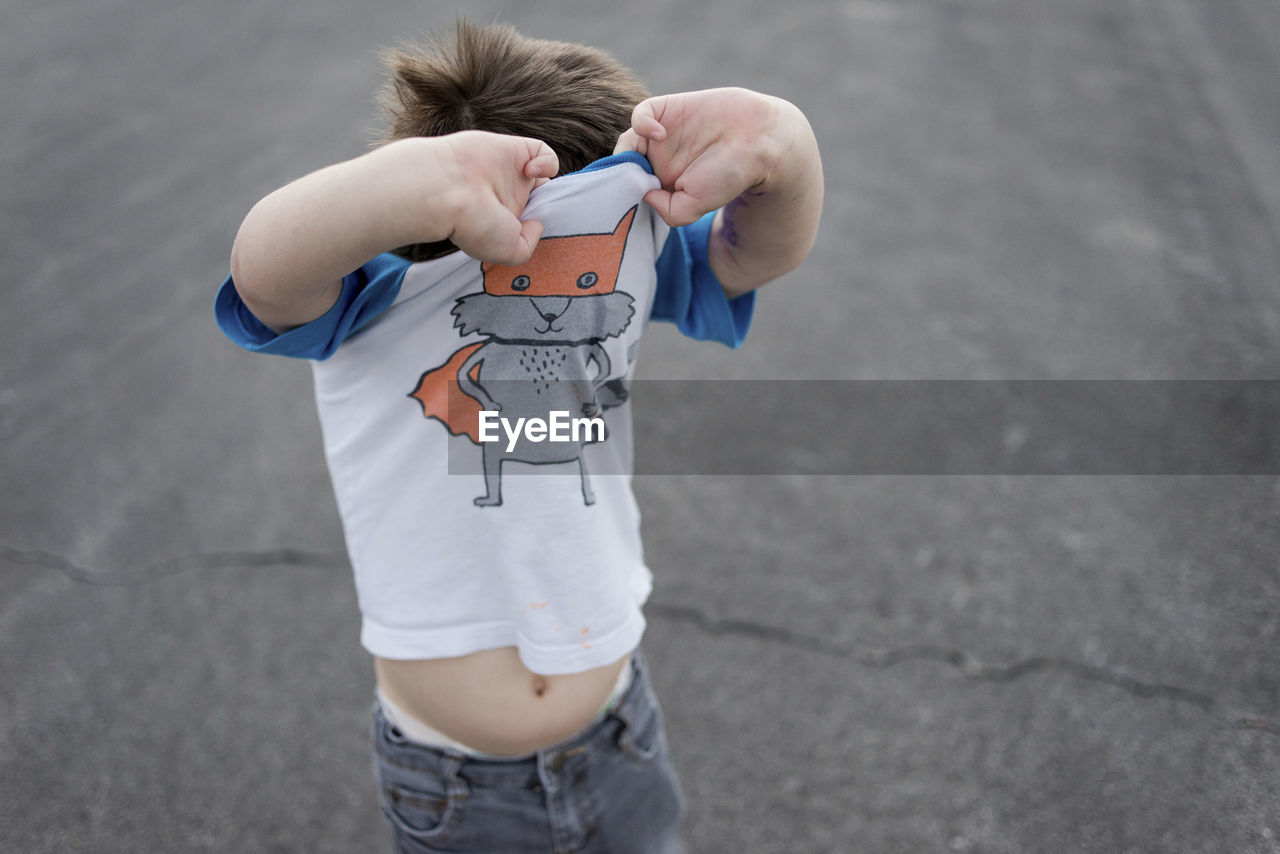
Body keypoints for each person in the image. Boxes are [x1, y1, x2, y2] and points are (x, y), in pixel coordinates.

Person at [215, 20, 822, 854]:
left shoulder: (630, 259)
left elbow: (753, 256)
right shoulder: (370, 295)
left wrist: (783, 144)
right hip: (457, 783)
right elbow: (263, 269)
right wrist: (417, 180)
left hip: (619, 730)